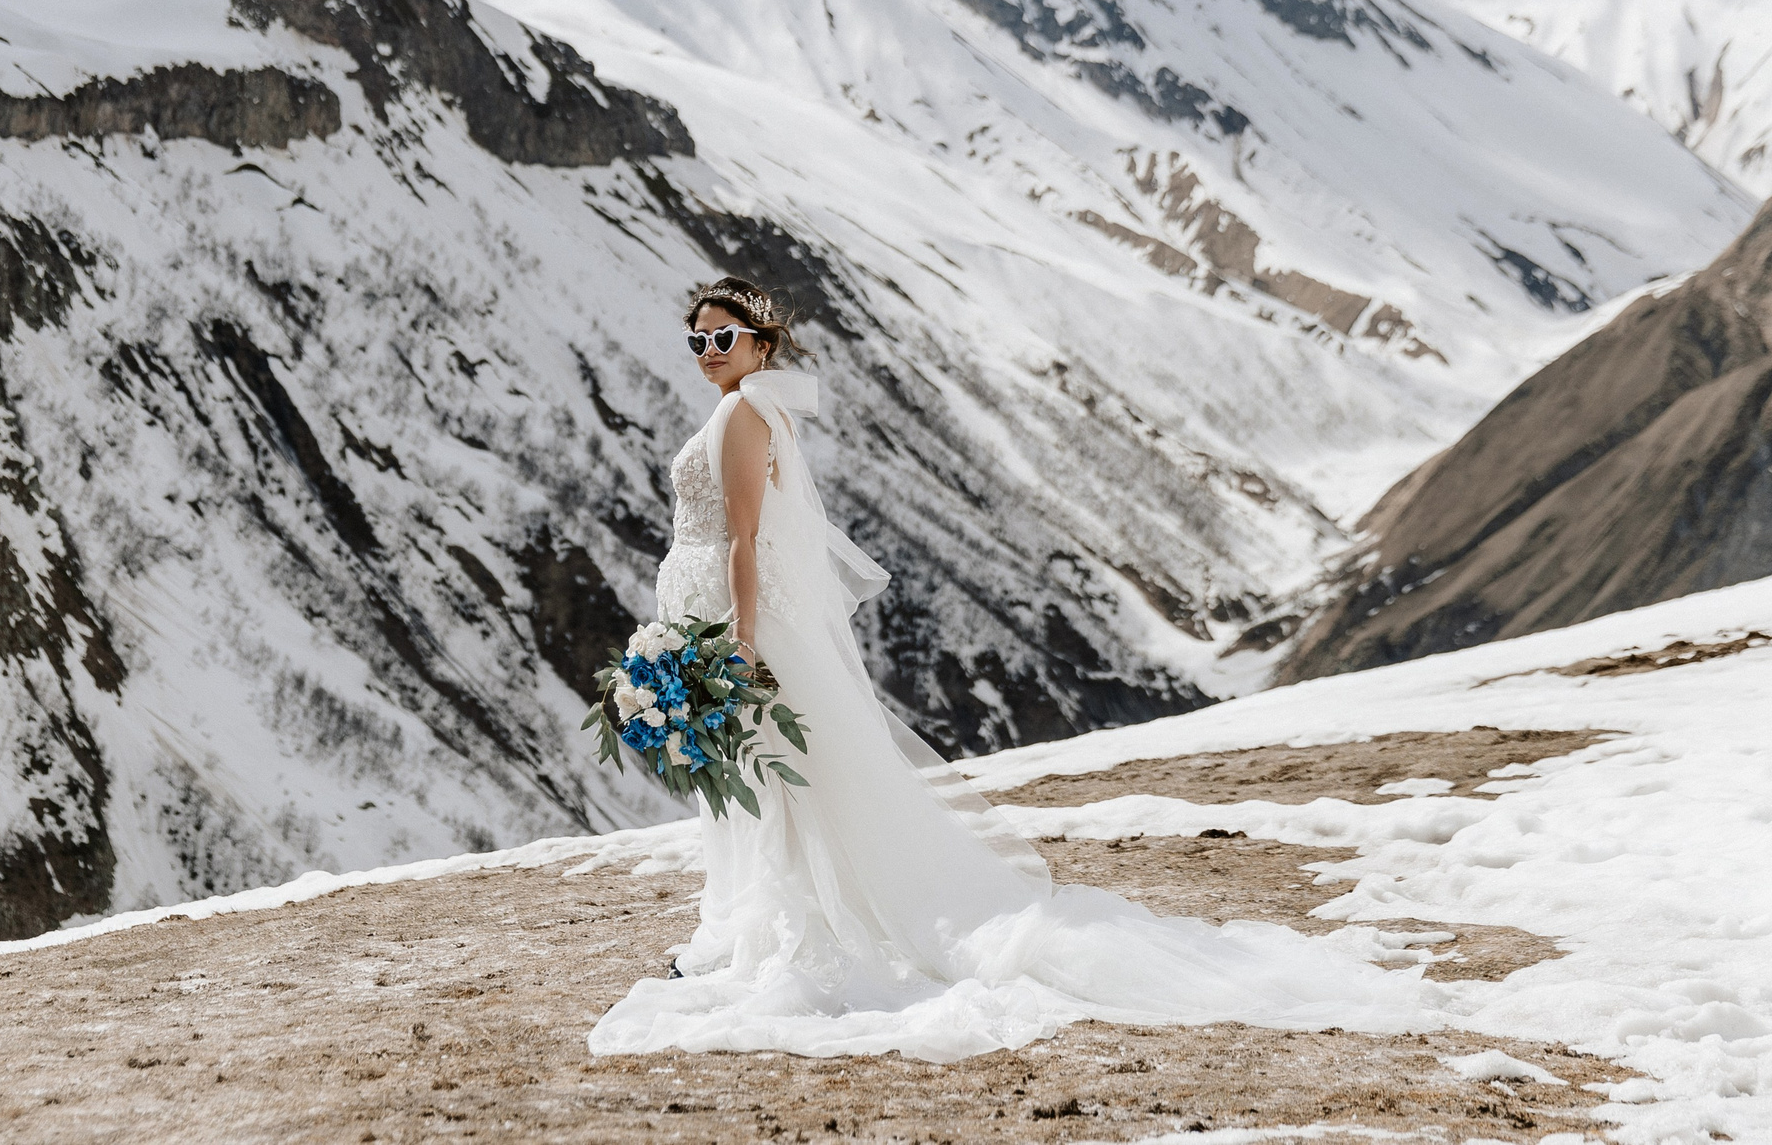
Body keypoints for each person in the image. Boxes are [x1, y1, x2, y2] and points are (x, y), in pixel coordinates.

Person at [588, 276, 1430, 1062]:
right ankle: (763, 928)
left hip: (739, 625)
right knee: (768, 781)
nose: (707, 352)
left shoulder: (742, 416)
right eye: (695, 339)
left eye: (722, 337)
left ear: (759, 344)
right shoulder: (751, 408)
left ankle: (784, 936)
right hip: (714, 618)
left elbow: (744, 537)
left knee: (778, 783)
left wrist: (739, 642)